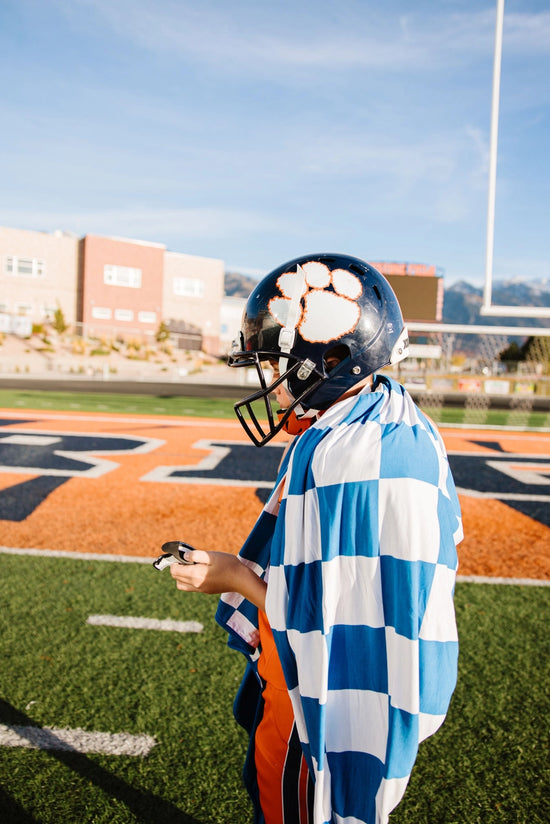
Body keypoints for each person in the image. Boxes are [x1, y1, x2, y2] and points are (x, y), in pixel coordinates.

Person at [169, 253, 463, 824]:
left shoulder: (350, 457)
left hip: (320, 708)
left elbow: (333, 626)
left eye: (275, 361)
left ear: (328, 357)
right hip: (307, 676)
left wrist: (234, 577)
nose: (270, 382)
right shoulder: (384, 418)